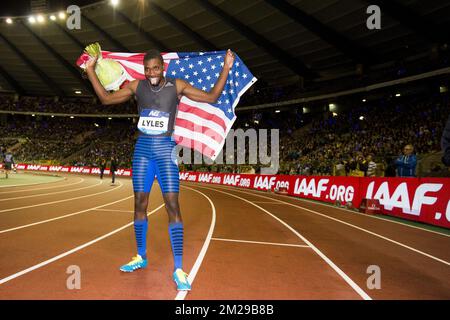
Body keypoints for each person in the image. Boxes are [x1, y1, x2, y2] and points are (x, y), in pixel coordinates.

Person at [85, 49, 235, 291]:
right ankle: (140, 256)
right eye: (147, 69)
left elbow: (212, 97)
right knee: (139, 205)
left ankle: (178, 268)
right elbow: (105, 98)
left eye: (155, 68)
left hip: (166, 151)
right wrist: (91, 69)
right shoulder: (136, 87)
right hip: (143, 151)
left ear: (162, 67)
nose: (151, 73)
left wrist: (226, 67)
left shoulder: (176, 86)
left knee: (173, 206)